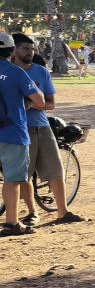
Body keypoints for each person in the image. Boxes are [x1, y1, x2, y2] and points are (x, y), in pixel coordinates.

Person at [12, 33, 82, 225]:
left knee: (55, 170)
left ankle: (63, 212)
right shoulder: (10, 72)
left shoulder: (41, 72)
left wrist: (32, 104)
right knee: (23, 174)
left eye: (32, 49)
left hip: (42, 127)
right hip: (19, 128)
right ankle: (32, 212)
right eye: (26, 48)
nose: (30, 52)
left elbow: (50, 104)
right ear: (15, 50)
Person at [0, 33, 46, 237]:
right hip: (12, 132)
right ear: (12, 52)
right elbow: (41, 101)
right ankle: (12, 222)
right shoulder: (16, 72)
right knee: (12, 179)